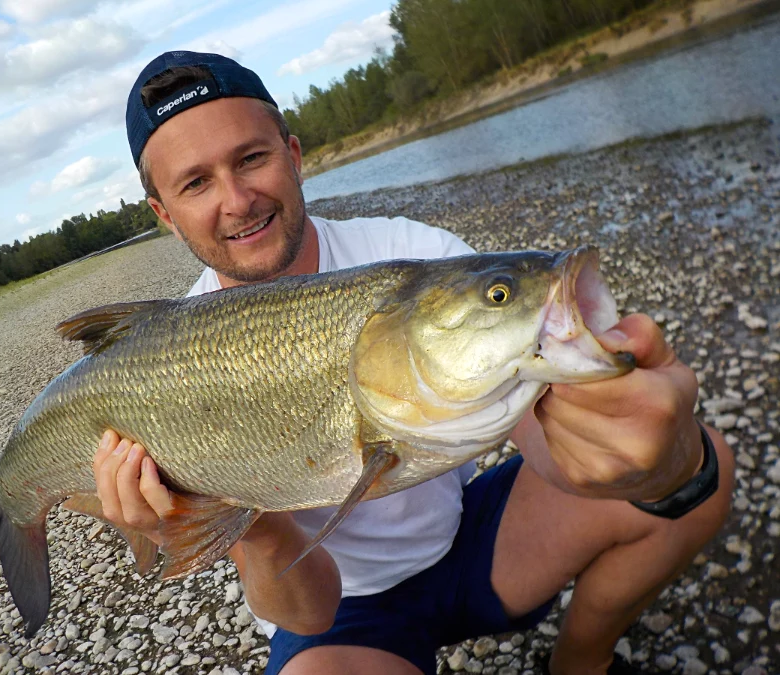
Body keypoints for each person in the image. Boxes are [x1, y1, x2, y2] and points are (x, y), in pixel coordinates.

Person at [92, 51, 734, 675]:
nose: (237, 200)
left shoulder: (415, 255)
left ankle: (580, 662)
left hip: (474, 545)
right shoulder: (162, 364)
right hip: (345, 611)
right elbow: (306, 615)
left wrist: (656, 456)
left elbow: (550, 448)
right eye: (196, 183)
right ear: (165, 215)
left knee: (704, 471)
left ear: (293, 155)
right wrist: (248, 524)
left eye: (251, 157)